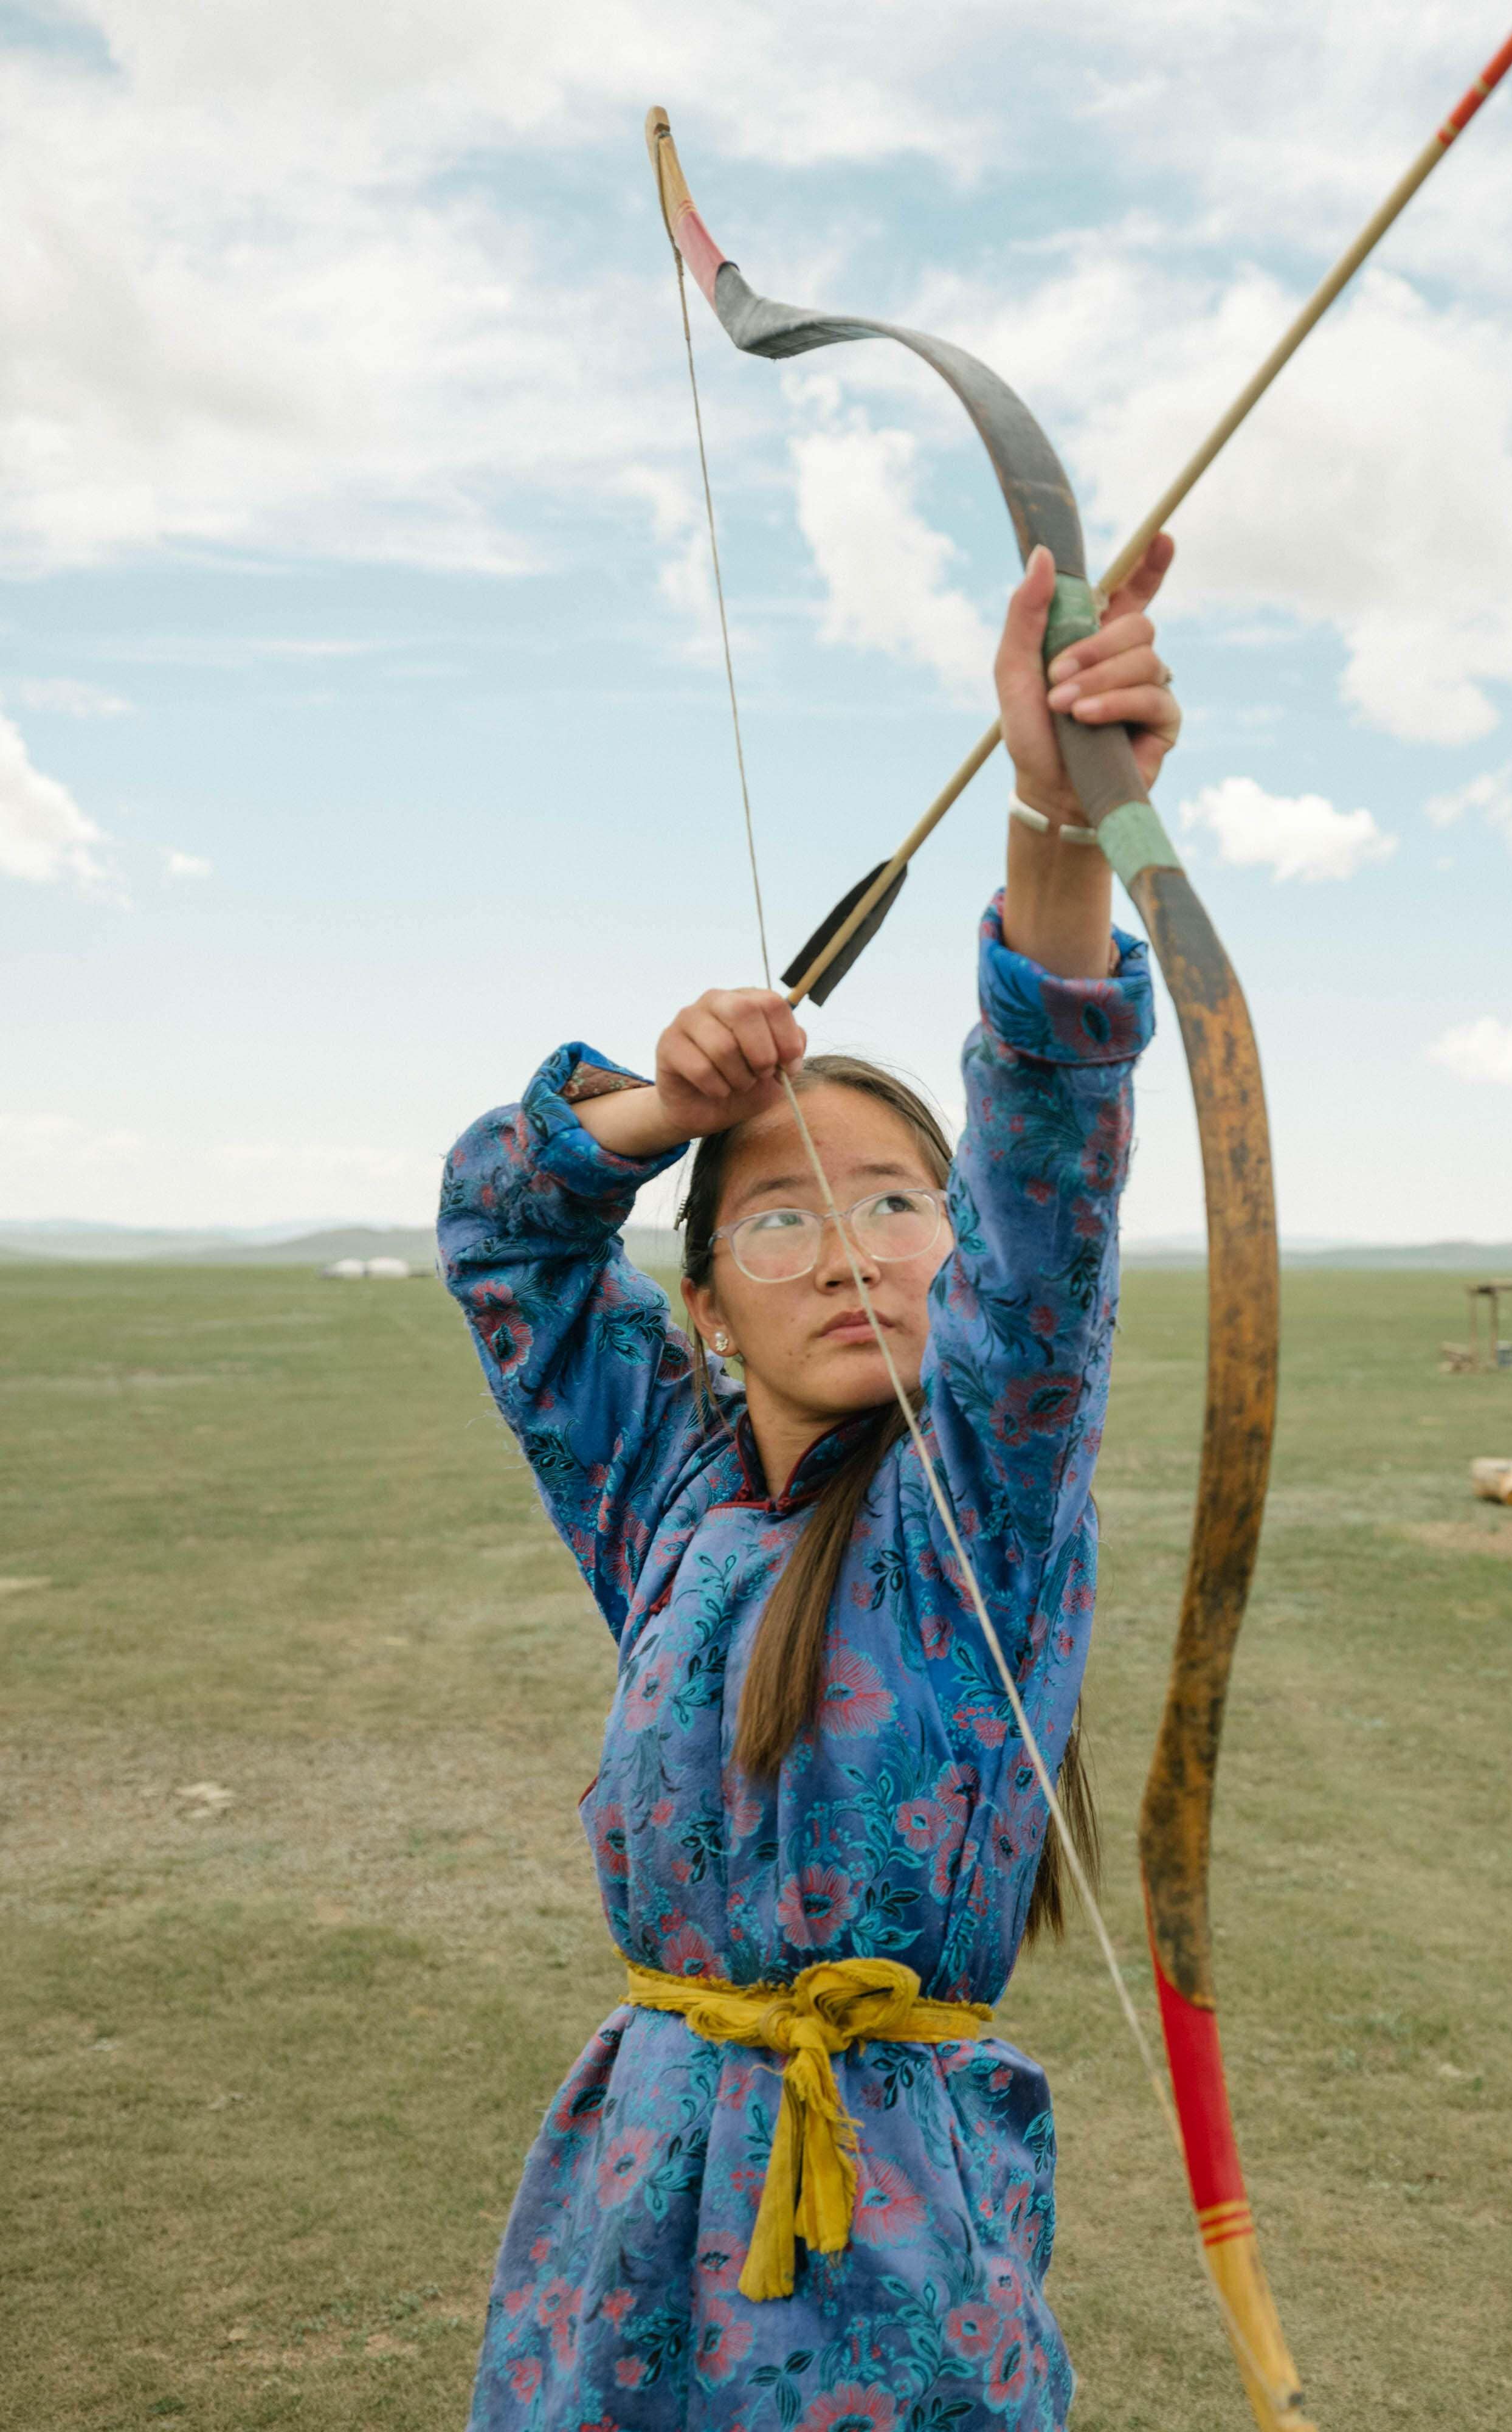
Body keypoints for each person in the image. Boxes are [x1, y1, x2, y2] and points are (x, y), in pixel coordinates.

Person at [441, 536, 1182, 2431]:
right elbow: (507, 1240)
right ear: (701, 1298)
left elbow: (1052, 1153)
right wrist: (663, 1111)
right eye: (777, 1213)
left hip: (896, 2249)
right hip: (630, 2206)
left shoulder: (982, 1504)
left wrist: (1054, 814)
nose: (852, 1250)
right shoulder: (669, 1499)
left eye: (895, 1202)